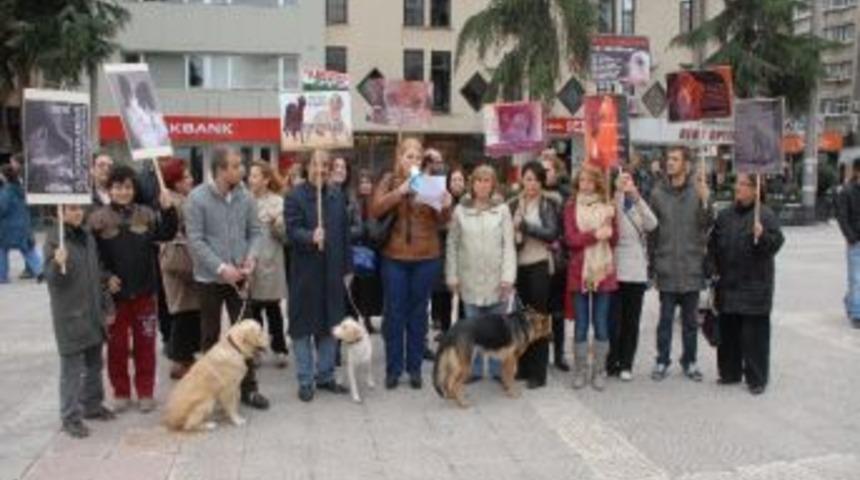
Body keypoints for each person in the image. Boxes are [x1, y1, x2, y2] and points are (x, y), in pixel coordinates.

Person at [185, 145, 270, 410]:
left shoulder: (245, 197)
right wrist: (222, 268)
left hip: (241, 279)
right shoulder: (197, 198)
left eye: (241, 165)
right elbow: (195, 241)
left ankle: (249, 389)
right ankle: (210, 391)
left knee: (247, 335)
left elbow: (256, 232)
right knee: (210, 336)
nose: (242, 170)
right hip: (209, 279)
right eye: (236, 166)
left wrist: (251, 257)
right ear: (221, 170)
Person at [88, 165, 177, 413]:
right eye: (117, 187)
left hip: (145, 292)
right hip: (114, 298)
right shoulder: (97, 218)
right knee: (116, 349)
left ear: (134, 189)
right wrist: (105, 278)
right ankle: (121, 392)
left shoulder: (147, 214)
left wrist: (169, 210)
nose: (123, 192)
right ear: (109, 189)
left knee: (145, 345)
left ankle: (146, 392)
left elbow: (167, 234)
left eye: (128, 187)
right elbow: (91, 257)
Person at [369, 138, 452, 390]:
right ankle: (393, 369)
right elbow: (375, 209)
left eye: (417, 157)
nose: (413, 161)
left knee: (418, 313)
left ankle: (414, 368)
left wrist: (446, 204)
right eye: (409, 156)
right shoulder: (389, 180)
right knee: (394, 313)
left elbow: (443, 219)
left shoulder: (429, 183)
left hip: (426, 256)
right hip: (394, 257)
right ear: (400, 158)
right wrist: (400, 191)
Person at [284, 150, 352, 402]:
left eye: (326, 165)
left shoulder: (336, 196)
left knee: (330, 324)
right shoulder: (295, 196)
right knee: (302, 327)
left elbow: (345, 236)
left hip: (333, 271)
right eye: (316, 165)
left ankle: (325, 376)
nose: (321, 170)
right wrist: (310, 236)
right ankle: (305, 379)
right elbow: (291, 231)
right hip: (305, 273)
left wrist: (348, 268)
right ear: (307, 167)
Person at [44, 204, 116, 438]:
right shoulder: (55, 240)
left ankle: (92, 406)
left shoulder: (87, 237)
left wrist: (106, 303)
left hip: (92, 311)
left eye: (78, 209)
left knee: (95, 362)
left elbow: (96, 272)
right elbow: (52, 280)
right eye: (70, 209)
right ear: (59, 213)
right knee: (72, 369)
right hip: (71, 314)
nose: (77, 213)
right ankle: (70, 417)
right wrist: (56, 263)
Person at [710, 174, 784, 395]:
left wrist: (762, 237)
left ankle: (756, 378)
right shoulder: (725, 216)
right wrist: (712, 268)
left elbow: (775, 244)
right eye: (738, 184)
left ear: (755, 189)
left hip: (755, 285)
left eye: (744, 184)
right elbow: (713, 244)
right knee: (729, 331)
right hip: (728, 283)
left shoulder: (765, 215)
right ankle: (730, 372)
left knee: (755, 336)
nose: (738, 188)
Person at [446, 164, 516, 382]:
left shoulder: (503, 210)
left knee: (497, 329)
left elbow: (508, 245)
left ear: (493, 184)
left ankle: (497, 370)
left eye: (487, 181)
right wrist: (452, 276)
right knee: (472, 330)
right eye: (479, 180)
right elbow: (452, 244)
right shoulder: (460, 211)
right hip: (470, 279)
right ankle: (473, 370)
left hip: (497, 280)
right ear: (472, 184)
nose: (483, 185)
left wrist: (508, 277)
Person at [648, 146, 713, 382]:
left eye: (675, 159)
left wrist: (707, 202)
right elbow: (652, 234)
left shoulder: (698, 192)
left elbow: (706, 226)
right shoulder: (657, 194)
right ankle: (662, 360)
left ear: (686, 164)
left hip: (691, 267)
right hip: (666, 266)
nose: (670, 163)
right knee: (664, 321)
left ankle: (690, 361)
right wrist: (652, 266)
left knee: (690, 323)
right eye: (669, 159)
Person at [564, 166, 618, 390]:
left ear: (597, 183)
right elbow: (571, 239)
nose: (585, 185)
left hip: (603, 272)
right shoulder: (570, 208)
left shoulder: (607, 209)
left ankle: (599, 370)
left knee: (601, 324)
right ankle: (580, 370)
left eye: (589, 181)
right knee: (581, 325)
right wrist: (595, 235)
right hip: (579, 272)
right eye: (581, 181)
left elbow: (614, 241)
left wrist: (610, 230)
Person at [509, 161, 560, 389]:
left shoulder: (548, 204)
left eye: (535, 180)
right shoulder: (514, 204)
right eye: (527, 179)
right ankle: (524, 367)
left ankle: (538, 373)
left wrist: (526, 227)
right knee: (521, 320)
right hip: (519, 267)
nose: (531, 184)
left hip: (539, 265)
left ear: (541, 182)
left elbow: (551, 233)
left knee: (538, 319)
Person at [606, 169, 658, 381]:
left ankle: (627, 363)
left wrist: (636, 197)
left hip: (636, 270)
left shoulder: (637, 202)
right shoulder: (612, 201)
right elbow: (613, 222)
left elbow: (652, 224)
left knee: (631, 321)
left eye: (629, 179)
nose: (625, 182)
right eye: (622, 179)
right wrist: (617, 193)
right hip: (617, 267)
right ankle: (612, 360)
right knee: (613, 320)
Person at [158, 159, 201, 380]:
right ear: (175, 182)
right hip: (179, 261)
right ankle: (179, 359)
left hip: (184, 260)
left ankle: (184, 357)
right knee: (183, 311)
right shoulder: (173, 201)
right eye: (186, 177)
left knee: (189, 310)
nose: (191, 180)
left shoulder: (183, 199)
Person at [247, 160, 289, 367]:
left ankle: (280, 348)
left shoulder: (278, 202)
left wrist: (277, 224)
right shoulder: (243, 201)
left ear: (265, 179)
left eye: (255, 175)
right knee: (253, 311)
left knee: (273, 309)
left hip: (271, 260)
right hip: (251, 262)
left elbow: (284, 236)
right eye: (250, 175)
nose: (250, 179)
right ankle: (255, 349)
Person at [541, 149, 572, 372]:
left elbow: (569, 225)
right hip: (536, 258)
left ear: (557, 171)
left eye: (548, 170)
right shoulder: (530, 191)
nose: (544, 174)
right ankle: (538, 354)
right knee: (538, 309)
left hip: (559, 258)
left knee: (557, 311)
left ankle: (559, 354)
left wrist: (559, 241)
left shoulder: (566, 195)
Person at [349, 168, 384, 332]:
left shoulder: (378, 202)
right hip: (358, 249)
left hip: (375, 249)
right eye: (362, 182)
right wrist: (359, 231)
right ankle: (363, 318)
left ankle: (373, 317)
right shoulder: (353, 203)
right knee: (360, 287)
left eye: (368, 182)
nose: (365, 185)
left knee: (374, 287)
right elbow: (349, 227)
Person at [0, 157, 43, 284]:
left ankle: (2, 276)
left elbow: (2, 208)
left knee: (1, 250)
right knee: (28, 250)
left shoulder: (6, 192)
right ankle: (40, 271)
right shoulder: (20, 189)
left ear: (4, 176)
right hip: (23, 225)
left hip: (7, 228)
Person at [836, 158, 860, 329]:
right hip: (856, 240)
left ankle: (850, 300)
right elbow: (842, 217)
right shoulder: (846, 191)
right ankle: (857, 313)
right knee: (856, 278)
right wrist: (850, 237)